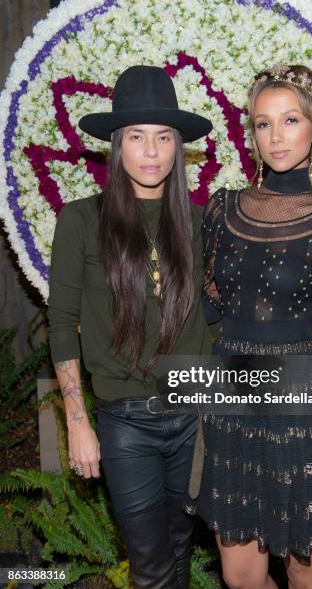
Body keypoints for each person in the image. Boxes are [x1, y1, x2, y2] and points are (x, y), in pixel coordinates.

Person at [187, 64, 312, 589]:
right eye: (263, 124)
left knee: (305, 572)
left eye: (291, 120)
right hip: (232, 403)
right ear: (251, 133)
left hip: (306, 407)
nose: (276, 137)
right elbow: (207, 307)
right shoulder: (222, 209)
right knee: (241, 575)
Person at [48, 65, 213, 588]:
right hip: (126, 422)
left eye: (163, 137)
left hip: (194, 415)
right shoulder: (80, 219)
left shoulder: (200, 221)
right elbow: (61, 323)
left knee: (181, 546)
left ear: (178, 147)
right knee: (149, 563)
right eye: (137, 137)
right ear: (116, 145)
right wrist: (77, 421)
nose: (151, 151)